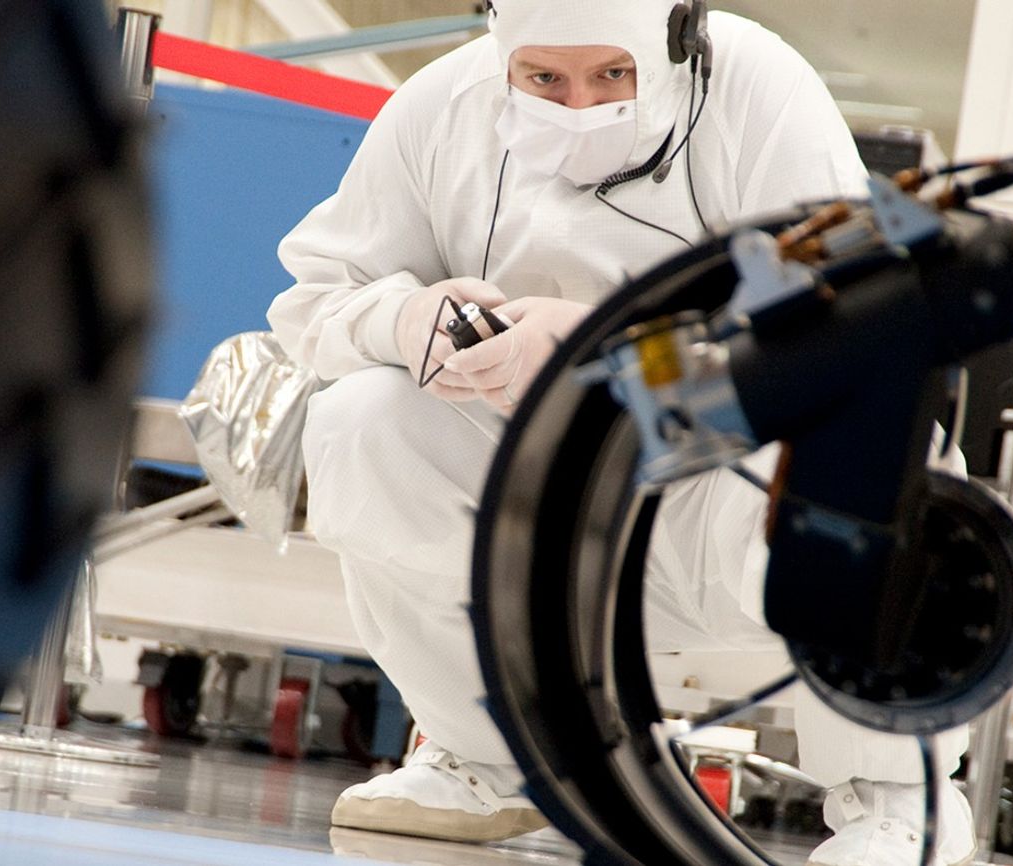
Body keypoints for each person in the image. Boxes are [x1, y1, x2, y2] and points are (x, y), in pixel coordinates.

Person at [268, 1, 975, 864]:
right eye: (543, 79)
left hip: (724, 489)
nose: (578, 106)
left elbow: (848, 323)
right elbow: (314, 299)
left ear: (677, 40)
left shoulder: (761, 91)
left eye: (612, 74)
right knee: (360, 422)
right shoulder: (440, 108)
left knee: (862, 451)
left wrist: (601, 344)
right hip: (545, 510)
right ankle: (487, 757)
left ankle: (902, 801)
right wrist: (402, 319)